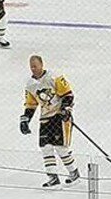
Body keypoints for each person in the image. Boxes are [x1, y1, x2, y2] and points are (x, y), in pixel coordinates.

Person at [20, 55, 80, 187]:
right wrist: (25, 119)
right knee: (45, 147)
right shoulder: (30, 85)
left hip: (59, 117)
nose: (33, 69)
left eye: (35, 65)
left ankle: (74, 173)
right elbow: (31, 104)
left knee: (61, 148)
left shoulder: (55, 77)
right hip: (45, 118)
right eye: (31, 66)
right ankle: (53, 177)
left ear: (42, 65)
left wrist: (66, 109)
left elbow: (68, 95)